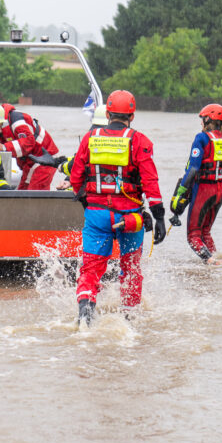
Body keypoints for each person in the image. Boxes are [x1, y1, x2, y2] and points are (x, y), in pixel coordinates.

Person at [68, 90, 167, 325]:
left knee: (90, 269)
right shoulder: (139, 141)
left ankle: (85, 312)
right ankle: (129, 319)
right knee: (131, 269)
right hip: (131, 217)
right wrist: (159, 217)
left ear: (108, 113)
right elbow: (150, 182)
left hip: (96, 215)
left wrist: (88, 203)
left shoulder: (89, 139)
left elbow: (75, 178)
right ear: (132, 116)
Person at [169, 103, 222, 262]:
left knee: (193, 236)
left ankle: (212, 262)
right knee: (205, 232)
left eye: (203, 119)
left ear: (208, 119)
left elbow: (192, 170)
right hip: (219, 191)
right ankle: (217, 261)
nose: (201, 122)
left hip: (204, 190)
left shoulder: (201, 138)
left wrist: (180, 192)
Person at [0, 103, 61, 190]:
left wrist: (4, 147)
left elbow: (28, 142)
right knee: (23, 192)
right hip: (30, 161)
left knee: (35, 193)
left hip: (45, 158)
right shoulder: (0, 126)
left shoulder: (16, 120)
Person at [57, 104, 108, 186]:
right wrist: (69, 180)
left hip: (95, 191)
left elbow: (76, 165)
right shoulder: (128, 140)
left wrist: (61, 166)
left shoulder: (91, 140)